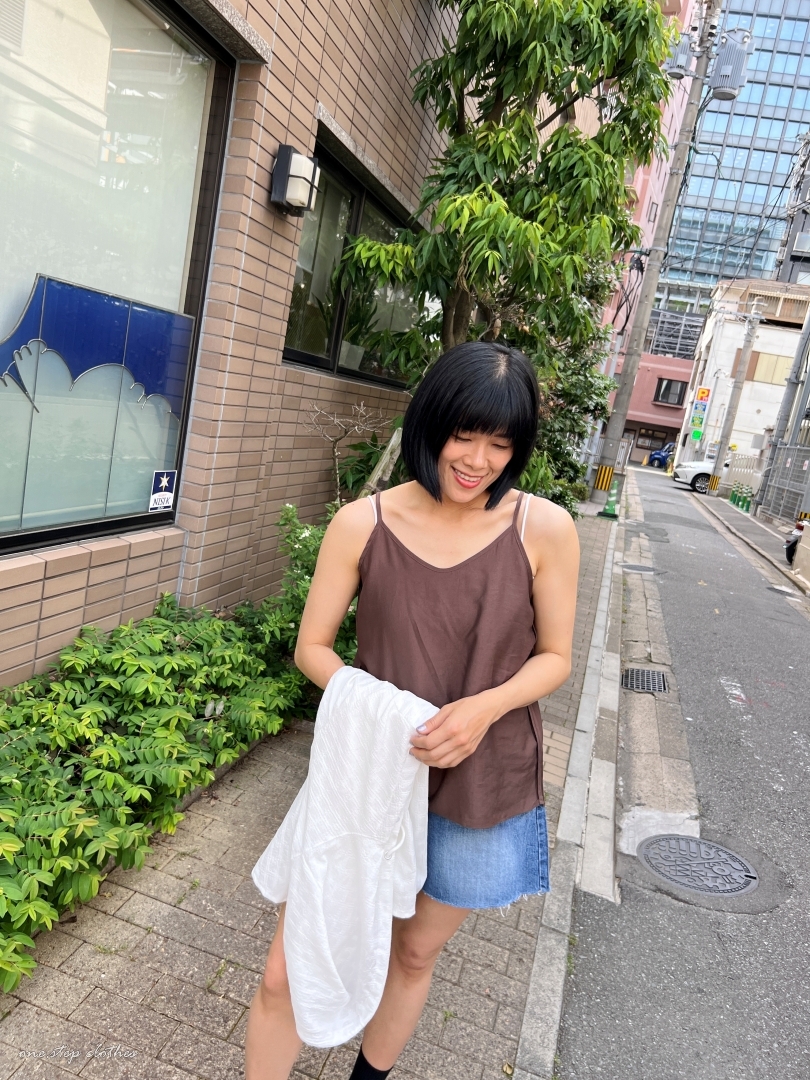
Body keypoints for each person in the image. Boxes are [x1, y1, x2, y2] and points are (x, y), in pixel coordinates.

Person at [245, 341, 580, 1080]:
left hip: (480, 778)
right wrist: (387, 713)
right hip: (369, 772)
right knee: (285, 971)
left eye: (501, 444)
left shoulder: (544, 528)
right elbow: (312, 647)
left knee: (415, 952)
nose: (479, 461)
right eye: (464, 435)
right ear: (431, 423)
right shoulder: (362, 523)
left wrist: (483, 709)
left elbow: (556, 656)